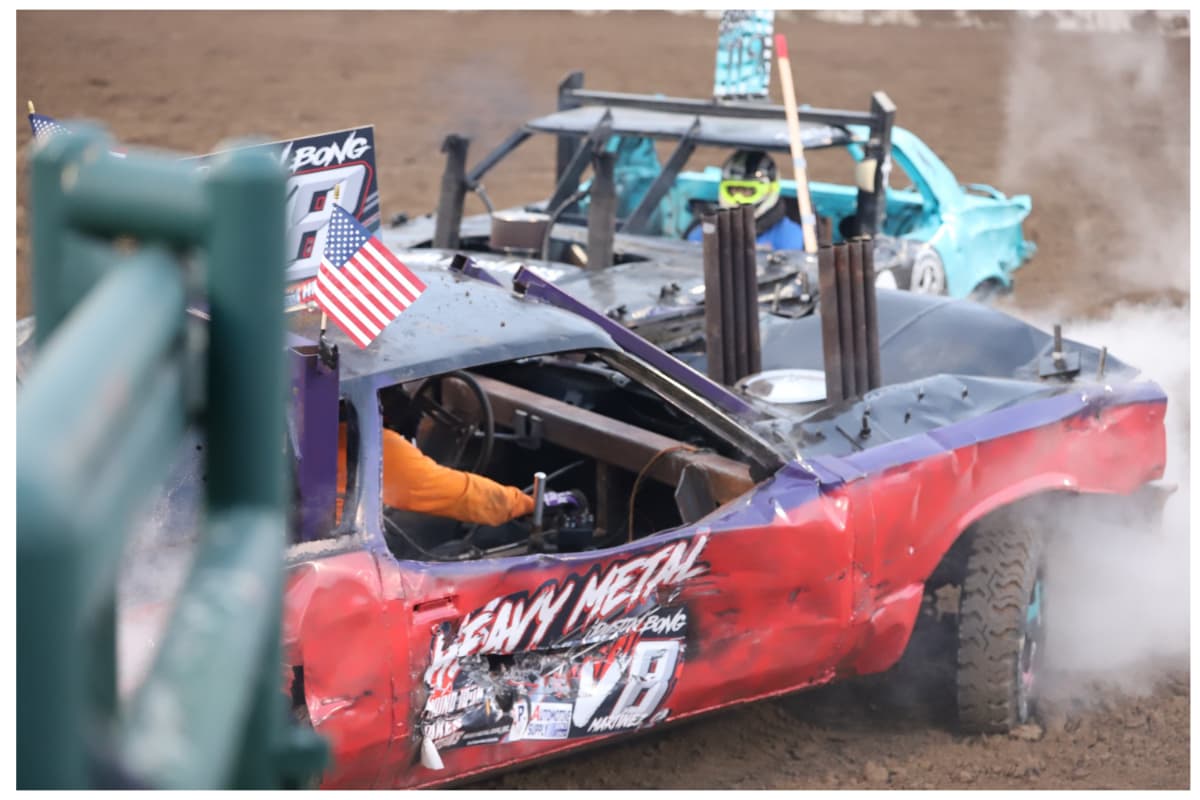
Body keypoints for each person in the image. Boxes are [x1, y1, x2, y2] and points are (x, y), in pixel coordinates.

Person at [335, 424, 534, 527]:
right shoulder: (370, 445)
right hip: (340, 551)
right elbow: (466, 496)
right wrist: (527, 504)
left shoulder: (315, 424)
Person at [687, 149, 807, 251]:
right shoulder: (705, 232)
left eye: (747, 191)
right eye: (733, 190)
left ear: (770, 190)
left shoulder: (789, 235)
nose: (738, 199)